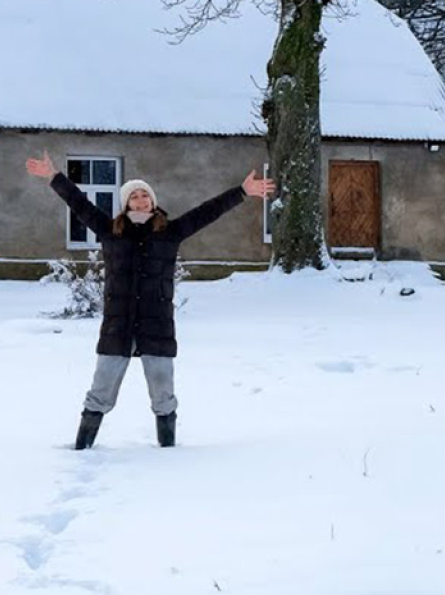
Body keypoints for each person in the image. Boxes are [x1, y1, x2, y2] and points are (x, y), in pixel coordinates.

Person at [26, 151, 275, 449]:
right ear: (126, 204)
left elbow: (207, 212)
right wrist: (55, 177)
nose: (141, 200)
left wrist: (242, 192)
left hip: (156, 326)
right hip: (118, 325)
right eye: (134, 196)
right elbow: (79, 204)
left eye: (145, 195)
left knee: (163, 394)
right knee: (100, 391)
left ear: (153, 201)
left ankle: (167, 451)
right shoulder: (111, 232)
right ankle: (81, 449)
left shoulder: (169, 232)